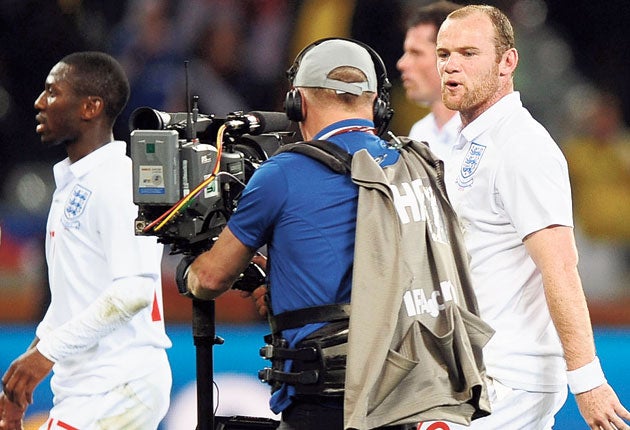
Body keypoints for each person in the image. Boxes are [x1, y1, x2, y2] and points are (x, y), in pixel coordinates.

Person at [179, 38, 494, 429]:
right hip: (418, 385)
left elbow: (212, 278)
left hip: (332, 399)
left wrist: (190, 273)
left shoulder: (283, 173)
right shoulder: (417, 162)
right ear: (377, 103)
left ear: (298, 102)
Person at [417, 5, 630, 430]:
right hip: (472, 369)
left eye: (468, 53)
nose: (451, 66)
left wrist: (587, 380)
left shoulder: (522, 146)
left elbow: (560, 266)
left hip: (509, 376)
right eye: (443, 54)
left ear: (507, 63)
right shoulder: (468, 141)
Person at [0, 52, 172, 430]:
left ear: (91, 107)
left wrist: (44, 355)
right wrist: (22, 379)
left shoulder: (118, 181)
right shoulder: (73, 185)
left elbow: (134, 292)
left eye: (52, 92)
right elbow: (70, 304)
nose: (39, 103)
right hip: (87, 390)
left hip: (119, 384)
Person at [397, 0, 461, 161]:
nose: (401, 64)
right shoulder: (419, 134)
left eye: (416, 53)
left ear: (449, 57)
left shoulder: (488, 135)